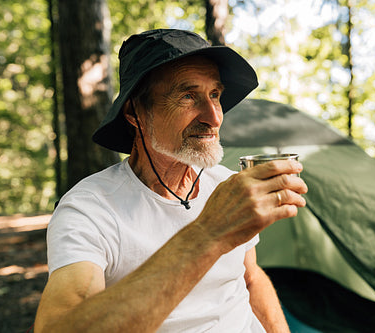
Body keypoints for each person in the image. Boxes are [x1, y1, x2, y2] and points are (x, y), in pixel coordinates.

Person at [34, 29, 307, 333]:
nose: (214, 117)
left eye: (215, 95)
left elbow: (250, 277)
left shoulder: (227, 184)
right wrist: (210, 231)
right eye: (188, 96)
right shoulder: (90, 209)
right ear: (134, 112)